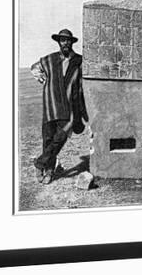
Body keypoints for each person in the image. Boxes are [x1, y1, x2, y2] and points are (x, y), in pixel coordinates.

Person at [30, 28, 88, 184]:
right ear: (58, 42)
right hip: (51, 106)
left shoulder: (79, 61)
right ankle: (48, 171)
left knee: (60, 138)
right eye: (62, 40)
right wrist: (44, 80)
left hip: (69, 108)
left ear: (71, 42)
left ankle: (39, 163)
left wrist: (83, 110)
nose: (65, 43)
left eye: (68, 40)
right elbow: (34, 68)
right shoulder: (50, 59)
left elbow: (82, 84)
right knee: (48, 140)